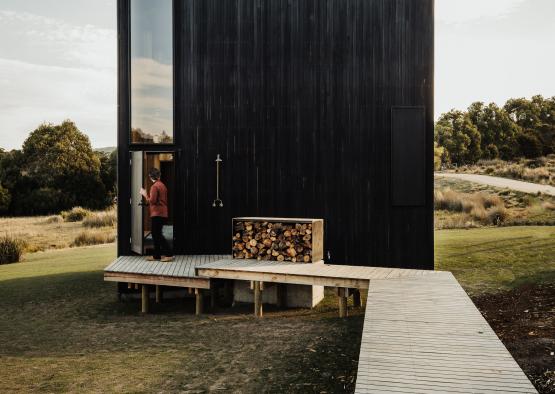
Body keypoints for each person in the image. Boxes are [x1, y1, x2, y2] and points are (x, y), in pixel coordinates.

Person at [140, 168, 173, 262]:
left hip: (157, 213)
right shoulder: (162, 185)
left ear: (150, 177)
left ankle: (169, 254)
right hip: (162, 213)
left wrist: (144, 194)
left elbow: (152, 201)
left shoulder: (154, 187)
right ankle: (157, 256)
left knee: (156, 234)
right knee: (156, 234)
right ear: (158, 176)